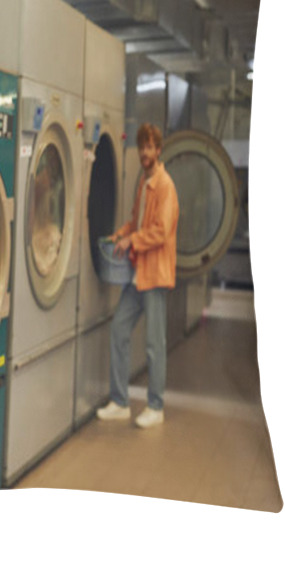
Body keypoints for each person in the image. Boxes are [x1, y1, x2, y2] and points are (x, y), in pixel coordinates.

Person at [96, 122, 178, 429]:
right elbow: (136, 221)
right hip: (137, 274)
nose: (145, 152)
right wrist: (120, 234)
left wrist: (133, 240)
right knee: (119, 330)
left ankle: (156, 406)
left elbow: (161, 230)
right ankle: (120, 401)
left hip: (154, 275)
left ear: (158, 150)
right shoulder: (144, 183)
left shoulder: (165, 185)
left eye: (149, 147)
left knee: (155, 344)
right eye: (141, 147)